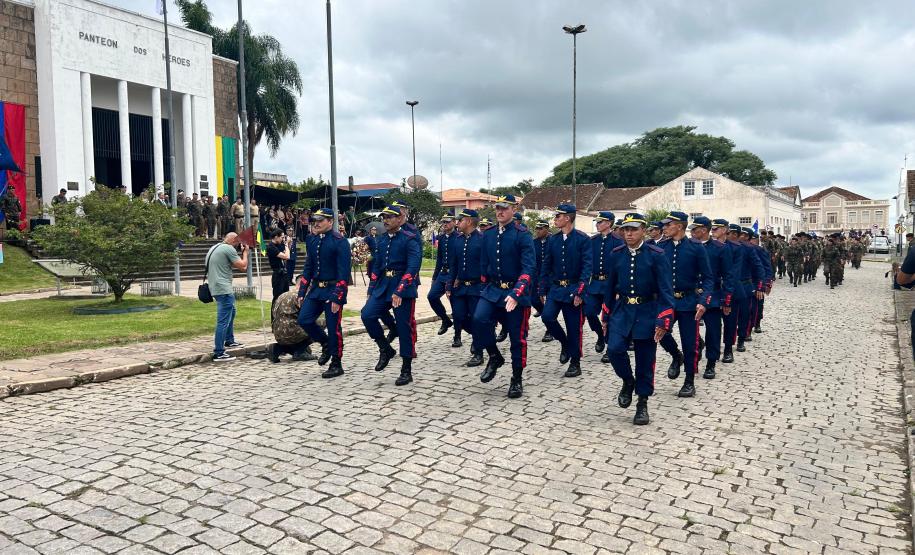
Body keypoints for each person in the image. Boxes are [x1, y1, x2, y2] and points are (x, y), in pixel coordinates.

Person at [602, 213, 674, 425]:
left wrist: (663, 321)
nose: (629, 233)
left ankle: (642, 403)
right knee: (614, 350)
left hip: (647, 311)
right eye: (626, 229)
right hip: (622, 310)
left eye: (633, 229)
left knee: (645, 360)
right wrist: (606, 315)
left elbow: (666, 291)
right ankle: (627, 380)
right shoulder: (616, 254)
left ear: (643, 230)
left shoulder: (656, 254)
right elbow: (609, 287)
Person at [475, 194, 535, 399]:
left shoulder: (522, 235)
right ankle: (494, 356)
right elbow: (484, 264)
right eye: (497, 208)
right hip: (493, 290)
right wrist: (483, 288)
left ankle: (516, 379)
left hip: (515, 291)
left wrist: (517, 293)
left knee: (517, 339)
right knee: (478, 320)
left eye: (504, 208)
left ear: (513, 209)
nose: (500, 211)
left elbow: (528, 268)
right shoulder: (489, 234)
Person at [361, 204, 422, 386]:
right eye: (384, 218)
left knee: (404, 328)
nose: (385, 221)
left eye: (389, 217)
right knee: (367, 314)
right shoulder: (381, 240)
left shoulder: (409, 239)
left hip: (402, 287)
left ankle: (406, 369)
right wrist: (371, 290)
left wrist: (400, 290)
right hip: (383, 286)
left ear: (399, 219)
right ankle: (385, 348)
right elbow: (377, 267)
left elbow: (413, 267)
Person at [656, 211, 712, 398]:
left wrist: (703, 302)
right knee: (658, 334)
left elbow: (708, 278)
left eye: (668, 224)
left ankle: (689, 381)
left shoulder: (696, 248)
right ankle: (675, 355)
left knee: (690, 343)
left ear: (679, 226)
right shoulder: (661, 246)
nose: (664, 228)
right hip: (666, 301)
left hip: (688, 301)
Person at [297, 208, 352, 379]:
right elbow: (308, 267)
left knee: (334, 326)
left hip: (333, 289)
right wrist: (301, 291)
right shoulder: (312, 240)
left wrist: (338, 296)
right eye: (315, 220)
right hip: (316, 290)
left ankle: (336, 363)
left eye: (321, 220)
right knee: (304, 319)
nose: (317, 223)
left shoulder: (339, 241)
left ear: (330, 222)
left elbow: (344, 272)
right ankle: (325, 343)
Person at [539, 204, 592, 378]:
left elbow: (587, 268)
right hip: (555, 288)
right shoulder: (552, 240)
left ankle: (575, 363)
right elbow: (546, 265)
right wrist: (542, 289)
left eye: (558, 216)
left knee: (574, 327)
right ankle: (565, 344)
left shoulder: (582, 239)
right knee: (547, 317)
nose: (555, 219)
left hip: (573, 288)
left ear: (567, 218)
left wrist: (580, 292)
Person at [689, 217, 735, 380]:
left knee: (713, 331)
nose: (693, 232)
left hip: (713, 295)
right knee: (689, 330)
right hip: (692, 295)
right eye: (692, 229)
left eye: (696, 229)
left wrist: (727, 299)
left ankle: (711, 362)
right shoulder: (689, 246)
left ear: (705, 230)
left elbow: (728, 275)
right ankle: (694, 354)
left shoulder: (720, 248)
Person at [446, 209, 485, 367]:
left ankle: (479, 351)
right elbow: (453, 264)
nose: (457, 223)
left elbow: (486, 264)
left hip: (477, 287)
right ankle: (481, 336)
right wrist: (449, 284)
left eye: (460, 220)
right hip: (461, 287)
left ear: (469, 221)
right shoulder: (458, 239)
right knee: (459, 317)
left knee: (476, 319)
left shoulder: (482, 239)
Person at [205, 232, 249, 361]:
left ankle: (229, 340)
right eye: (237, 242)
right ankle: (219, 352)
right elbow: (243, 266)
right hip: (223, 289)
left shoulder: (214, 247)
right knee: (223, 321)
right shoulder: (228, 249)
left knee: (232, 311)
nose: (237, 245)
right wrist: (245, 252)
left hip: (215, 287)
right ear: (233, 241)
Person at [585, 211, 622, 355]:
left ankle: (609, 347)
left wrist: (619, 288)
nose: (597, 224)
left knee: (611, 316)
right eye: (597, 222)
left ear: (609, 223)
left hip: (610, 285)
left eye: (600, 222)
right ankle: (601, 335)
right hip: (594, 284)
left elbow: (621, 266)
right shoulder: (593, 240)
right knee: (589, 312)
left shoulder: (618, 240)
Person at [429, 215, 459, 343]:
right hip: (443, 274)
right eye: (443, 222)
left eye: (447, 222)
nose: (445, 224)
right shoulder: (441, 238)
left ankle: (457, 336)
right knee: (432, 296)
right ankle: (445, 320)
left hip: (454, 274)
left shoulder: (458, 237)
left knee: (455, 305)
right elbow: (439, 260)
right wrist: (434, 277)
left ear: (454, 222)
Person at [268, 290, 316, 363]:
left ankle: (278, 348)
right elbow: (307, 317)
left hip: (277, 332)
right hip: (291, 331)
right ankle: (300, 352)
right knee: (319, 325)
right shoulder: (301, 297)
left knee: (298, 343)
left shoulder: (282, 295)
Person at [531, 220, 553, 342]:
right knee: (533, 299)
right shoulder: (534, 243)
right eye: (536, 229)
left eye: (540, 228)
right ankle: (545, 314)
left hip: (551, 277)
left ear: (547, 229)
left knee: (550, 304)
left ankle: (550, 330)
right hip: (537, 276)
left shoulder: (553, 241)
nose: (538, 231)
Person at [266, 229, 291, 312]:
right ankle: (274, 318)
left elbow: (286, 254)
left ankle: (284, 318)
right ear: (276, 237)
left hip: (283, 273)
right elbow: (287, 256)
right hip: (278, 274)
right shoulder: (271, 247)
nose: (282, 239)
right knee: (277, 298)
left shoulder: (278, 245)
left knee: (286, 296)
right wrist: (287, 245)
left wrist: (287, 245)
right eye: (282, 237)